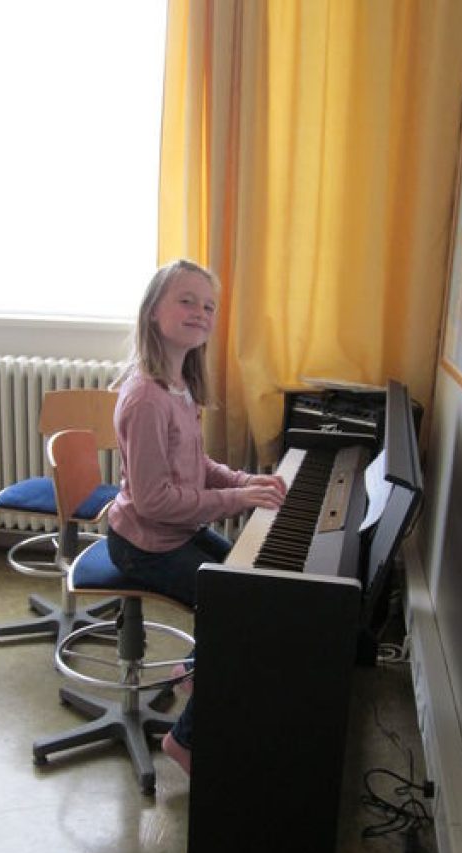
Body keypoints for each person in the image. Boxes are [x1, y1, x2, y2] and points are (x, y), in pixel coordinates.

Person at [107, 258, 286, 775]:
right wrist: (237, 500)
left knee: (252, 586)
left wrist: (243, 481)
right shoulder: (146, 399)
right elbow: (154, 501)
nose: (200, 312)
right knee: (238, 612)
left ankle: (195, 672)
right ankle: (184, 741)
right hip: (143, 545)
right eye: (186, 300)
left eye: (208, 305)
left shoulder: (179, 386)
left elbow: (196, 465)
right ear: (153, 311)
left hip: (178, 532)